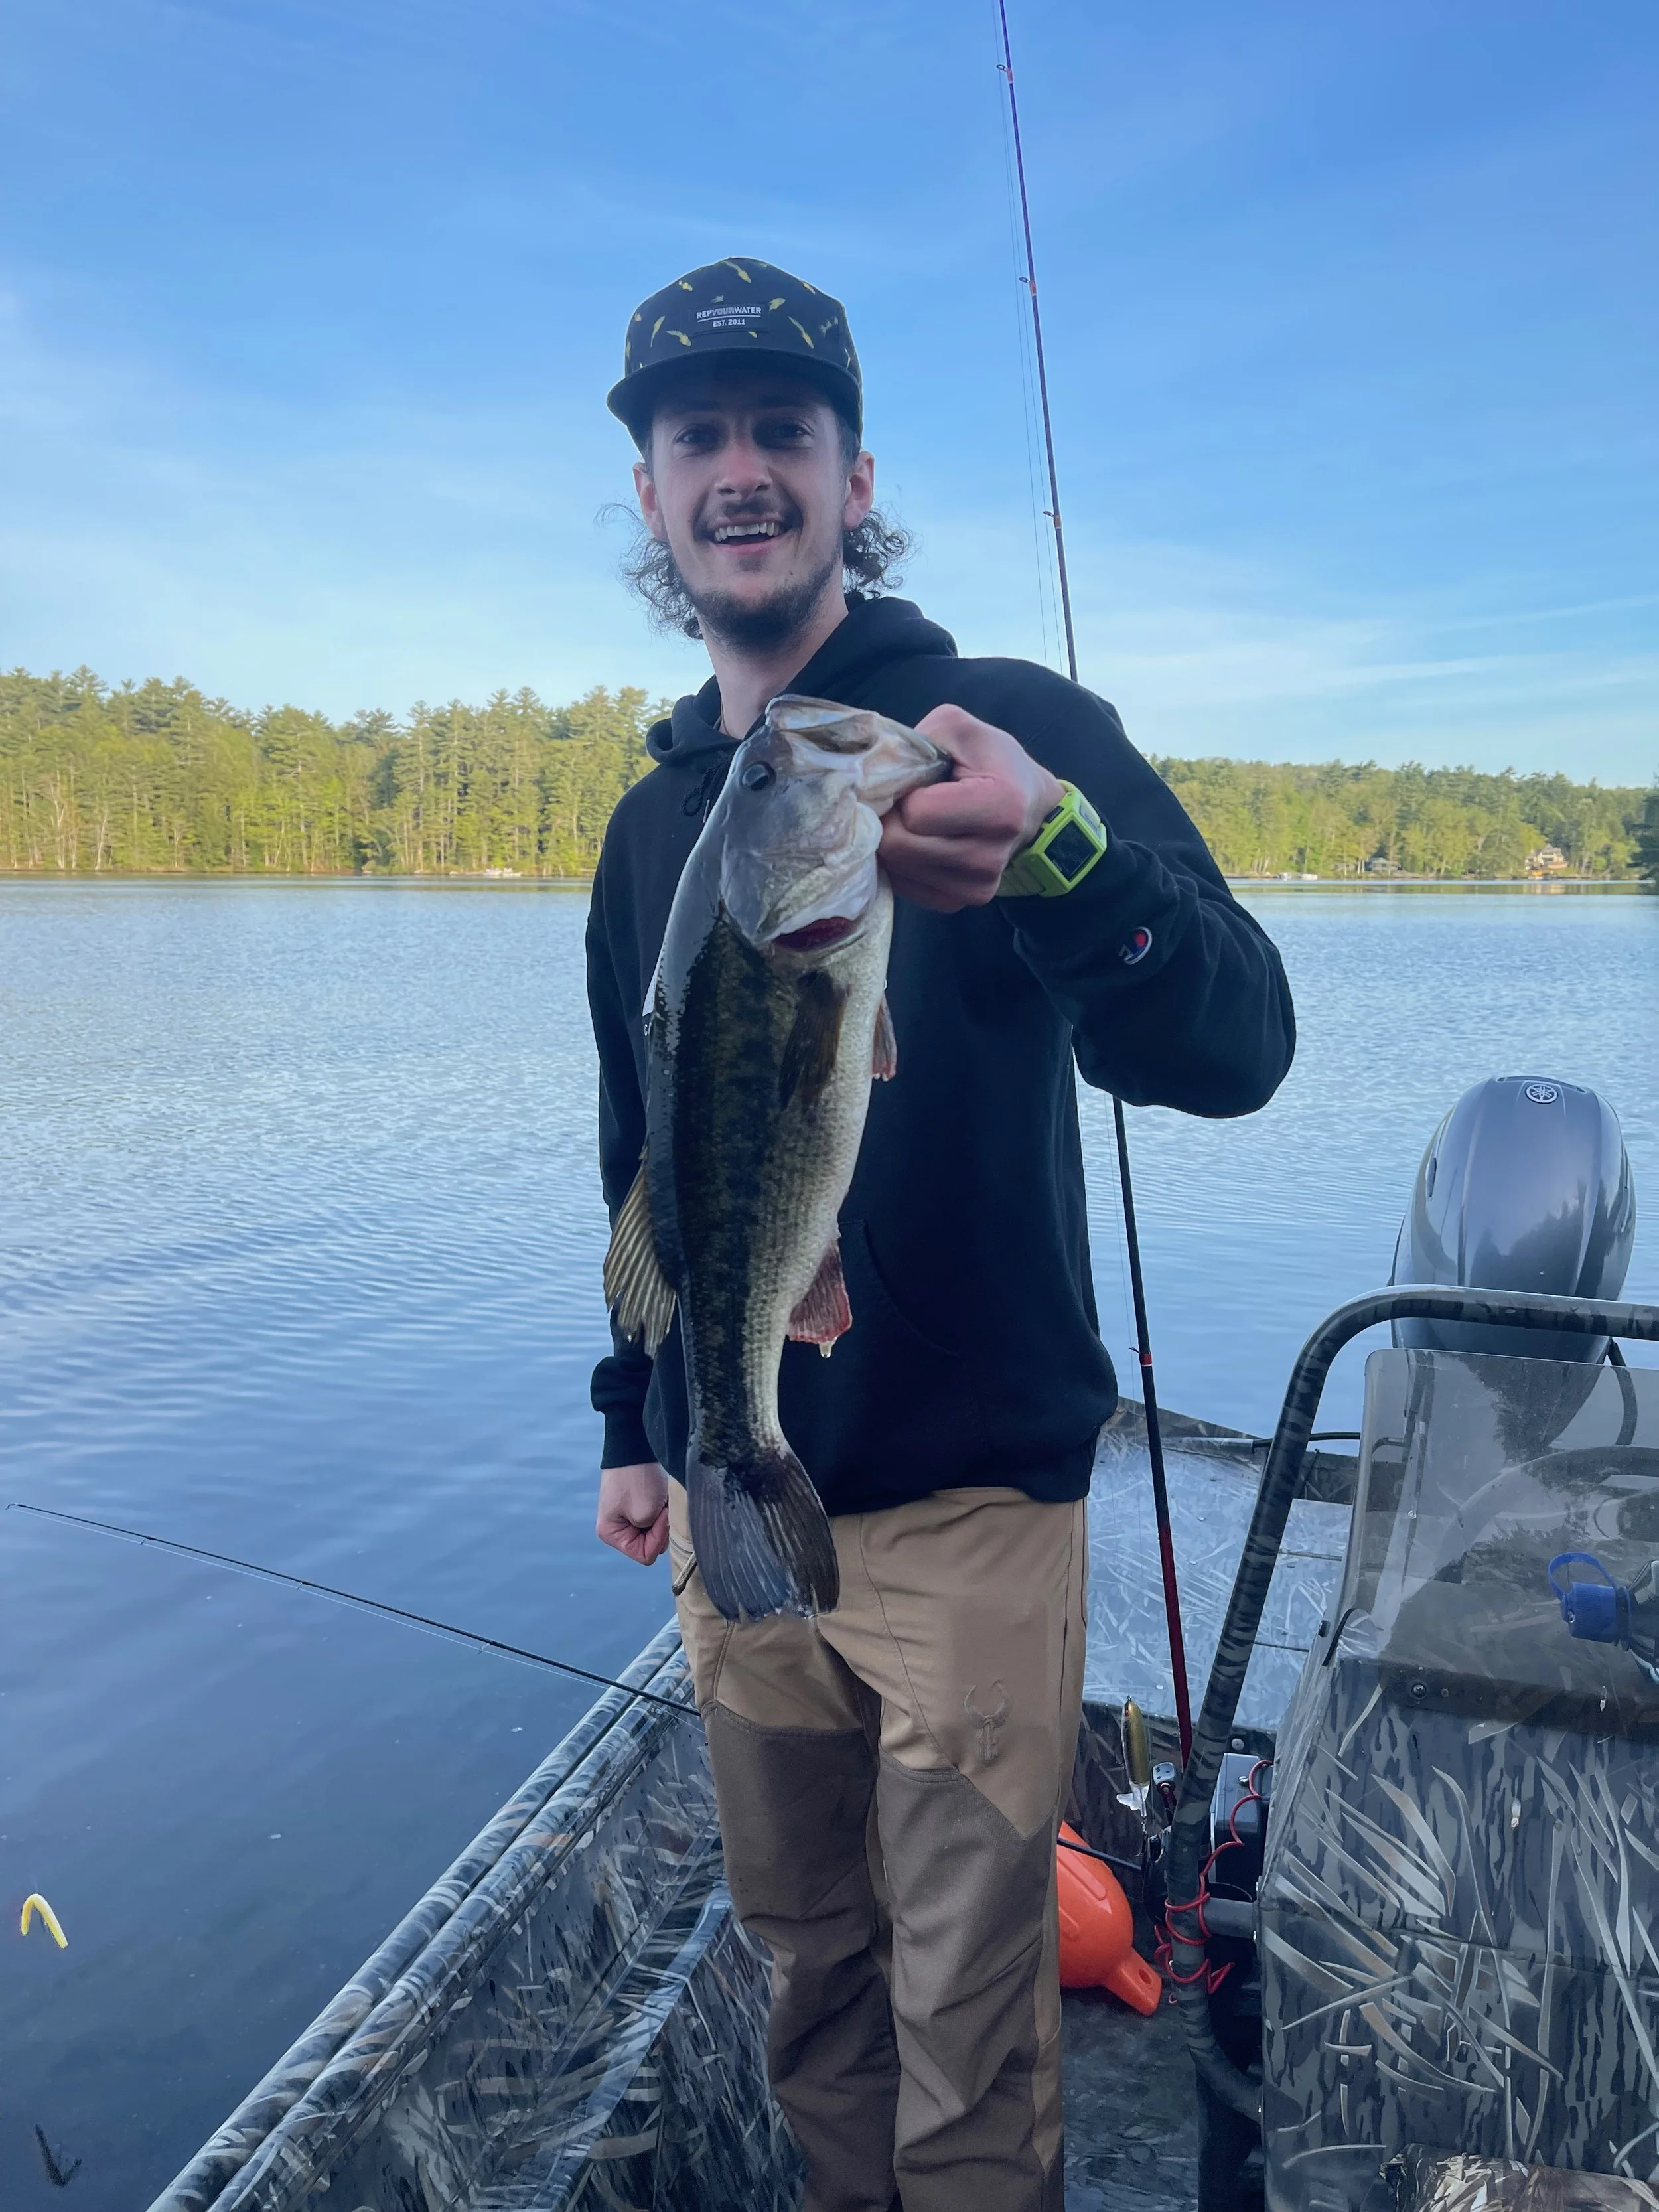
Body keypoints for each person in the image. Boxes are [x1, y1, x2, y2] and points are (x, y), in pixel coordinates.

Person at [586, 257, 1294, 2212]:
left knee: (967, 2027)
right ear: (651, 495)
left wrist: (1065, 856)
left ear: (850, 473)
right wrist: (630, 1423)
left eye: (780, 432)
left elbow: (1240, 1037)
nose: (740, 469)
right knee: (808, 1976)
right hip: (746, 1495)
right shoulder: (654, 825)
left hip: (974, 1508)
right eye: (696, 436)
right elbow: (637, 1150)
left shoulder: (999, 726)